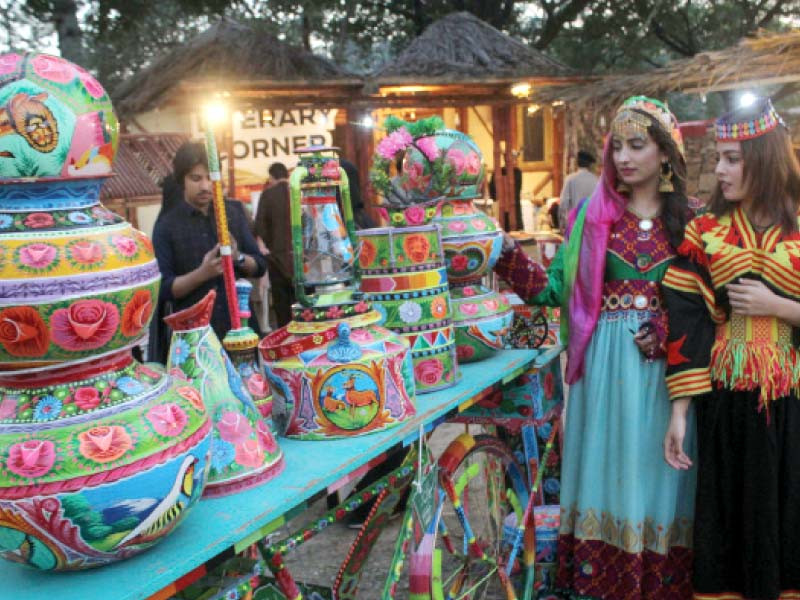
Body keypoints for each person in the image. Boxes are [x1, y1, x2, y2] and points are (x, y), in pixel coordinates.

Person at [494, 96, 695, 599]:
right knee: (609, 472)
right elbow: (552, 289)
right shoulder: (592, 215)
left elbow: (709, 306)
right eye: (617, 147)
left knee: (661, 477)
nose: (624, 158)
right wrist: (501, 251)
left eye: (638, 145)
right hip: (603, 373)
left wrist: (669, 326)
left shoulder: (693, 222)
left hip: (669, 378)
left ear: (665, 153)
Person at [663, 98, 800, 600]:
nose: (718, 169)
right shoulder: (706, 231)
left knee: (787, 515)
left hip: (792, 402)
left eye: (732, 158)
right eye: (718, 157)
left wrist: (781, 307)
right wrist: (680, 413)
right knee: (727, 518)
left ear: (763, 158)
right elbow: (687, 323)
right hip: (725, 402)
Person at [151, 141, 267, 360]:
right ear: (182, 181)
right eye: (196, 178)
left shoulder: (232, 212)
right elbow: (163, 288)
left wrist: (238, 257)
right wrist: (202, 274)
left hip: (240, 329)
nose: (205, 186)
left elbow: (260, 265)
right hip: (196, 341)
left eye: (210, 177)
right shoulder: (167, 226)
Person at [254, 162, 295, 328]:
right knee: (302, 304)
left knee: (282, 307)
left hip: (277, 260)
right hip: (301, 259)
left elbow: (259, 228)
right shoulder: (297, 192)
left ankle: (286, 340)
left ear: (271, 177)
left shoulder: (268, 195)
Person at [558, 149, 599, 232]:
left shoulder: (570, 179)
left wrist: (562, 224)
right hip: (591, 225)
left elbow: (563, 203)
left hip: (574, 224)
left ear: (577, 163)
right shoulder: (596, 180)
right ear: (589, 165)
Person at [489, 162, 523, 231]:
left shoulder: (516, 172)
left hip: (503, 208)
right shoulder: (517, 173)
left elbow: (492, 192)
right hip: (511, 208)